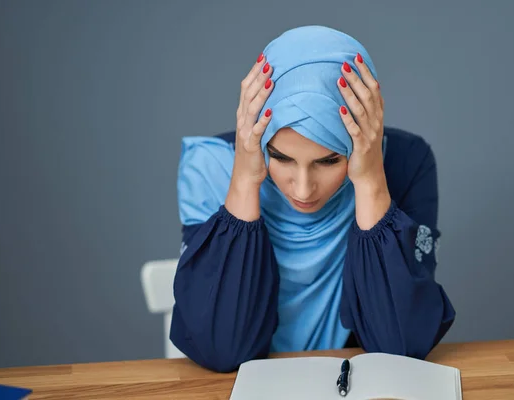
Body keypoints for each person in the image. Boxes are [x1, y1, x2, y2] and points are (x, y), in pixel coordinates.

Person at [170, 25, 455, 373]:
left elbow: (401, 346)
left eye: (330, 160)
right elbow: (221, 348)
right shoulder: (212, 168)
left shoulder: (404, 162)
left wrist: (369, 183)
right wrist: (244, 181)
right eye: (280, 157)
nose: (303, 190)